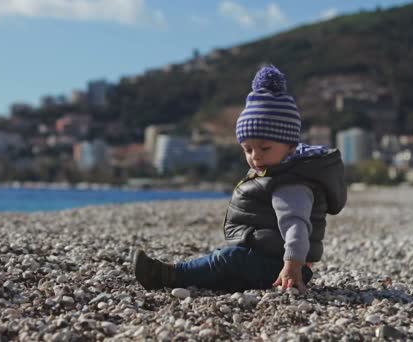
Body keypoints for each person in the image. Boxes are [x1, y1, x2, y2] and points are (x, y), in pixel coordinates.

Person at [133, 65, 347, 293]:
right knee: (226, 261)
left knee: (229, 259)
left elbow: (296, 225)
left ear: (290, 146)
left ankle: (170, 276)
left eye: (264, 148)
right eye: (248, 149)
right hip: (268, 259)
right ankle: (203, 278)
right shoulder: (273, 172)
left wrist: (292, 266)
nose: (256, 156)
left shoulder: (290, 183)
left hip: (285, 267)